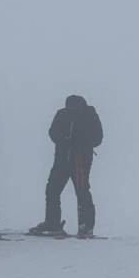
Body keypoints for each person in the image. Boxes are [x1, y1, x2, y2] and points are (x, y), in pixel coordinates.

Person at [30, 95, 103, 237]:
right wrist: (63, 140)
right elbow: (53, 132)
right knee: (52, 189)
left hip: (80, 160)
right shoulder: (62, 114)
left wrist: (80, 142)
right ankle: (53, 223)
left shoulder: (89, 115)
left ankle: (85, 226)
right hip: (62, 158)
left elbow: (97, 138)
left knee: (81, 191)